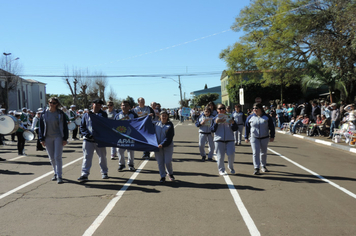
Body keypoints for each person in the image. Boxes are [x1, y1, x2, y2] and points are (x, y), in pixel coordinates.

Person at [39, 97, 69, 184]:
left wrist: (65, 138)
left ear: (57, 104)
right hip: (47, 137)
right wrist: (41, 139)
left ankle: (59, 175)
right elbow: (41, 127)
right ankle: (55, 173)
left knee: (57, 157)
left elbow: (64, 126)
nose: (52, 104)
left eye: (54, 103)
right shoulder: (44, 113)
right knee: (51, 157)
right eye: (51, 102)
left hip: (58, 137)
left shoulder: (60, 113)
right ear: (48, 103)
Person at [78, 99, 109, 182]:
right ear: (93, 104)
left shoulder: (103, 114)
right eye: (97, 104)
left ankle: (104, 172)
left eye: (100, 105)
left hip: (99, 140)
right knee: (87, 157)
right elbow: (82, 126)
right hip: (88, 140)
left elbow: (104, 125)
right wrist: (87, 134)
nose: (99, 106)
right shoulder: (86, 114)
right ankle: (84, 174)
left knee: (102, 157)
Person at [245, 103, 275, 175]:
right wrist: (246, 137)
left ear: (261, 109)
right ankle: (256, 168)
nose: (255, 110)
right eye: (254, 108)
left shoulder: (266, 117)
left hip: (264, 137)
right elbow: (247, 127)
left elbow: (271, 127)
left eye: (256, 108)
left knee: (263, 152)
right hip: (254, 138)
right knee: (255, 153)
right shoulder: (250, 117)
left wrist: (272, 136)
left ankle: (263, 166)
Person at [211, 104, 238, 175]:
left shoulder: (230, 117)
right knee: (220, 156)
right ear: (217, 110)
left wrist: (233, 123)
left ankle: (231, 167)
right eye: (220, 109)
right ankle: (221, 169)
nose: (222, 110)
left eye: (223, 108)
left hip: (230, 139)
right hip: (218, 139)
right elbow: (212, 129)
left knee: (231, 154)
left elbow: (235, 128)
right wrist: (216, 123)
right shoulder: (214, 118)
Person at [114, 101, 138, 171]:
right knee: (119, 150)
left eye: (126, 105)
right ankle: (121, 164)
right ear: (121, 106)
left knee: (130, 150)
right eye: (123, 105)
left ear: (129, 107)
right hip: (120, 136)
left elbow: (138, 123)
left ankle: (131, 164)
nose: (124, 107)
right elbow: (114, 125)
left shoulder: (133, 115)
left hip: (131, 135)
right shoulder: (117, 115)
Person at [154, 110, 175, 183]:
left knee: (168, 161)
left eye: (165, 115)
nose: (164, 117)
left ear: (167, 116)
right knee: (160, 162)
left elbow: (169, 137)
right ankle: (162, 176)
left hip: (168, 146)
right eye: (162, 115)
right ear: (159, 116)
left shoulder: (170, 125)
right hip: (157, 146)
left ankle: (170, 173)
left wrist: (162, 144)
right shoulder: (156, 124)